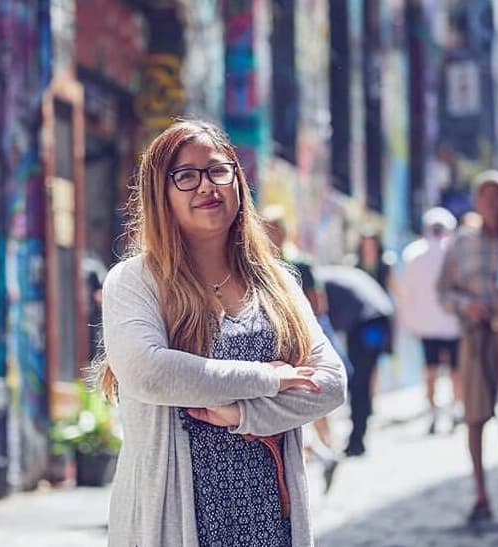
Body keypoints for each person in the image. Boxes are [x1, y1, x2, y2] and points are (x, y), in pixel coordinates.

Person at [94, 119, 347, 547]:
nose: (206, 186)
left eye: (217, 170)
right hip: (176, 517)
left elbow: (330, 383)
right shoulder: (135, 281)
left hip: (269, 515)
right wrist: (271, 378)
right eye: (186, 176)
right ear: (161, 193)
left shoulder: (277, 283)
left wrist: (245, 414)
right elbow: (150, 373)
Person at [437, 170, 498, 524]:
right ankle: (481, 494)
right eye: (484, 195)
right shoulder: (461, 242)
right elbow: (443, 291)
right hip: (476, 333)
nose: (492, 202)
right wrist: (465, 306)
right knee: (475, 415)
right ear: (476, 201)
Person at [261, 205, 347, 492]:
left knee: (311, 392)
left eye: (275, 228)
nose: (270, 234)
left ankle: (328, 449)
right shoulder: (258, 264)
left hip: (301, 337)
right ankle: (324, 454)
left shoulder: (301, 264)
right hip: (275, 341)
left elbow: (317, 302)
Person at [317, 264, 395, 457]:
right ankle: (358, 436)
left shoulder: (320, 281)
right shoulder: (333, 274)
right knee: (362, 380)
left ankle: (357, 440)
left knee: (359, 381)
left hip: (367, 323)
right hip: (378, 318)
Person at [400, 206, 462, 435]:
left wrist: (409, 321)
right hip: (454, 323)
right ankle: (456, 409)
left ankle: (434, 413)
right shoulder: (455, 251)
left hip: (425, 324)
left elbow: (407, 293)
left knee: (431, 370)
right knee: (456, 370)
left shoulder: (412, 253)